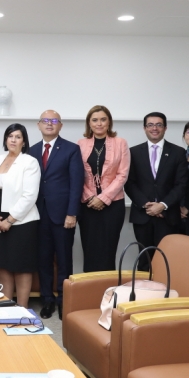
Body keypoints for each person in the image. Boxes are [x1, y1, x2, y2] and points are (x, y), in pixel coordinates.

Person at [30, 110, 84, 320]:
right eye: (45, 120)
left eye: (54, 121)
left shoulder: (71, 149)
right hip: (37, 214)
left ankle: (63, 301)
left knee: (64, 260)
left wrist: (72, 213)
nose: (49, 124)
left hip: (63, 216)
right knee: (42, 260)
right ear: (39, 125)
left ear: (60, 126)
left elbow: (76, 184)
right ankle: (47, 300)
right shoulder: (32, 150)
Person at [0, 123, 40, 308]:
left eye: (18, 137)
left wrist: (10, 220)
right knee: (3, 265)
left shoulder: (29, 162)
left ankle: (22, 309)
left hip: (22, 223)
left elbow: (30, 196)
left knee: (22, 267)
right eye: (10, 136)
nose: (13, 140)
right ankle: (6, 306)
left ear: (24, 141)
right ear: (5, 139)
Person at [124, 112, 187, 270]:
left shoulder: (178, 152)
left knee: (167, 260)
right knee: (144, 259)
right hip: (142, 215)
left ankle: (165, 294)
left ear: (165, 128)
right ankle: (144, 294)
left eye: (159, 124)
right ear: (144, 128)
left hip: (168, 216)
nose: (154, 128)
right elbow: (129, 183)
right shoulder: (133, 152)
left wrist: (163, 205)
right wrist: (147, 205)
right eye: (150, 125)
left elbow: (181, 184)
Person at [77, 106, 130, 272]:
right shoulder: (80, 144)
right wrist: (91, 197)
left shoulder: (121, 143)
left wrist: (103, 198)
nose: (99, 123)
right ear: (89, 123)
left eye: (103, 119)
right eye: (94, 120)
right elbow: (77, 174)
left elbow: (122, 175)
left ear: (109, 122)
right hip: (87, 205)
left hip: (113, 205)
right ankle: (89, 290)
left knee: (108, 249)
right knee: (89, 248)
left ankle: (107, 291)